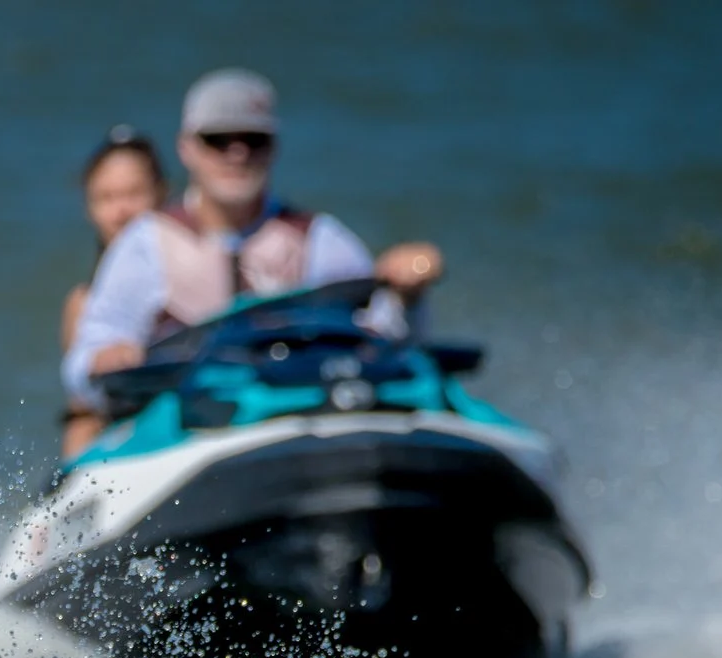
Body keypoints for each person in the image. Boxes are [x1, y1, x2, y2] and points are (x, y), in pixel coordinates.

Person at [61, 68, 445, 419]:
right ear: (186, 148)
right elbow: (86, 360)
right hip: (188, 429)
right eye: (218, 140)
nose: (237, 154)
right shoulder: (146, 243)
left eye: (253, 139)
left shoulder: (320, 238)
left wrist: (408, 297)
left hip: (299, 420)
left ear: (274, 147)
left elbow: (386, 340)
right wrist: (106, 358)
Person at [60, 127, 168, 458]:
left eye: (134, 194)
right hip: (122, 448)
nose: (120, 212)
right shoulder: (83, 303)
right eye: (105, 198)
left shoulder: (194, 276)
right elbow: (82, 416)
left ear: (162, 193)